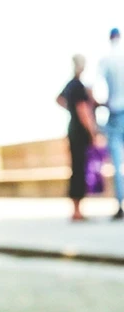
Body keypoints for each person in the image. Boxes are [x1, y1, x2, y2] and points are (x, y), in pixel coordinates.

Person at [56, 54, 99, 221]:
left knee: (76, 168)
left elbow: (58, 99)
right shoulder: (79, 86)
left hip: (71, 129)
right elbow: (83, 111)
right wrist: (92, 132)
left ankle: (76, 209)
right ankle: (77, 211)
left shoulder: (70, 85)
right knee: (80, 169)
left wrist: (70, 109)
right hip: (80, 132)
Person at [98, 28, 124, 219]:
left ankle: (120, 205)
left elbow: (96, 89)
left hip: (115, 114)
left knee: (117, 164)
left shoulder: (106, 59)